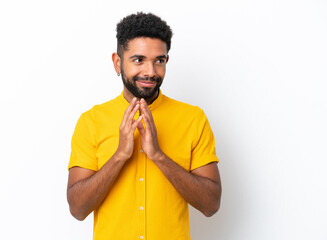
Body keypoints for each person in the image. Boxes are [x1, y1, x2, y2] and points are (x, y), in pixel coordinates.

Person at [67, 12, 221, 240]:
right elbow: (77, 209)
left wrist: (158, 155)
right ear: (118, 62)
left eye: (159, 60)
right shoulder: (91, 121)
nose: (150, 71)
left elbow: (211, 205)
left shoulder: (193, 118)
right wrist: (119, 155)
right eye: (138, 60)